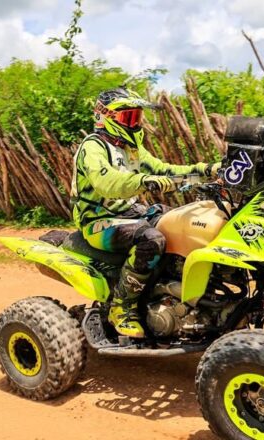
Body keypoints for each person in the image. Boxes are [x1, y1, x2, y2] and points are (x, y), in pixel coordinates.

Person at [71, 87, 220, 338]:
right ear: (106, 116)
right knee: (151, 240)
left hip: (130, 212)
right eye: (128, 117)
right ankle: (122, 308)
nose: (135, 123)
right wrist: (144, 181)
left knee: (179, 221)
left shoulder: (132, 148)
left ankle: (179, 292)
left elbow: (165, 170)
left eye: (137, 117)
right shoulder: (93, 147)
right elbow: (106, 182)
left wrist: (206, 170)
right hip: (97, 219)